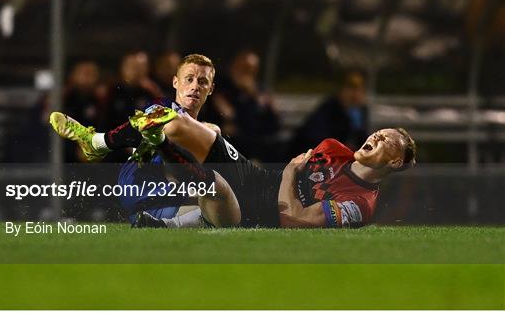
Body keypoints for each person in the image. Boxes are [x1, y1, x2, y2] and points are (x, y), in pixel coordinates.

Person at [50, 100, 416, 229]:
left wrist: (290, 171)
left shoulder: (359, 205)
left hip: (257, 212)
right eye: (379, 132)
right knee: (171, 118)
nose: (376, 137)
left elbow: (294, 220)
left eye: (387, 141)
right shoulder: (334, 148)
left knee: (209, 184)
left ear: (395, 161)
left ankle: (157, 148)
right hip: (255, 177)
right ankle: (97, 142)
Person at [50, 54, 220, 225]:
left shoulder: (198, 126)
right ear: (175, 82)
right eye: (189, 79)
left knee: (220, 210)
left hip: (160, 200)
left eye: (202, 82)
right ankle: (97, 142)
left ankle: (162, 223)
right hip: (142, 187)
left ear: (211, 89)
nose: (195, 87)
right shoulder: (162, 107)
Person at [291, 70, 368, 156]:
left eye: (359, 90)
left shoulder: (358, 111)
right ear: (341, 90)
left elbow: (362, 141)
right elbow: (318, 140)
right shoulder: (329, 108)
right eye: (351, 89)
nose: (355, 94)